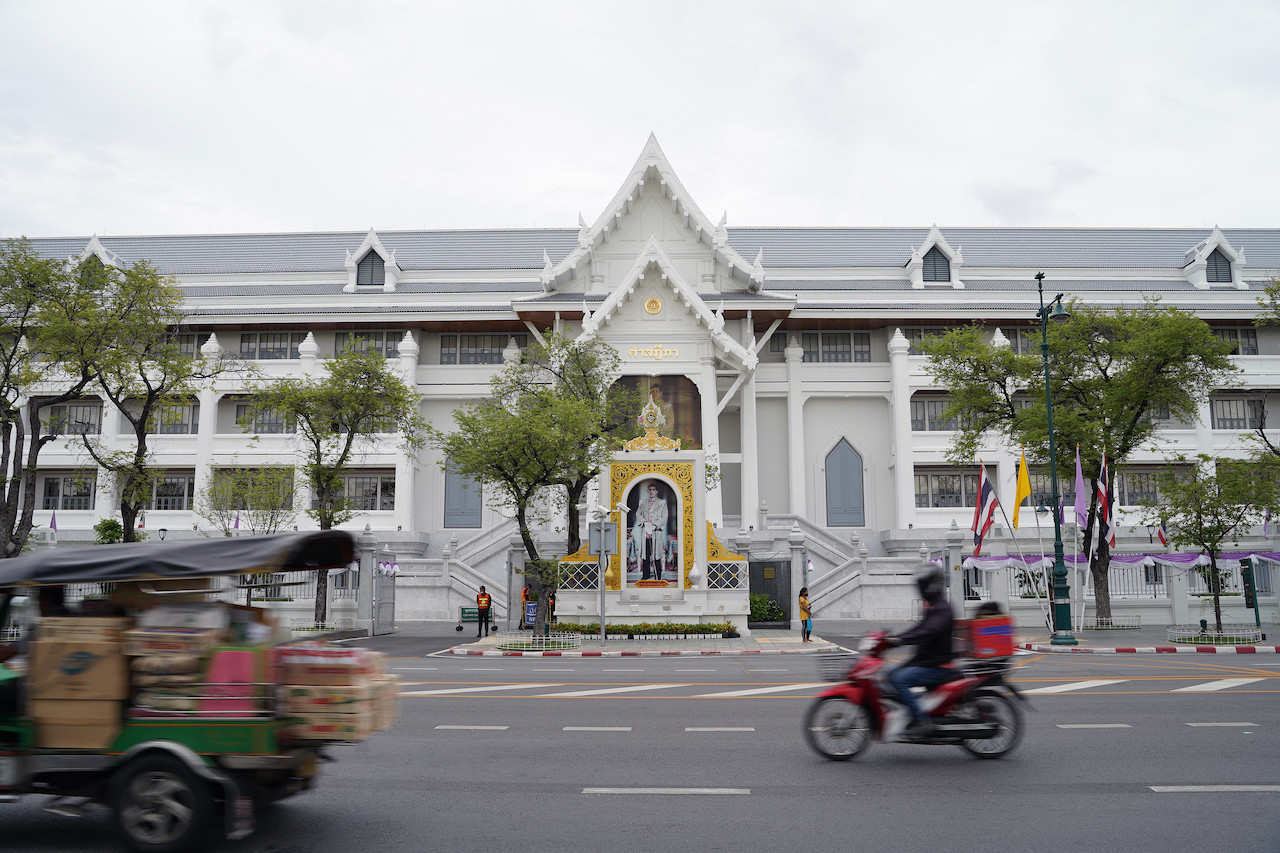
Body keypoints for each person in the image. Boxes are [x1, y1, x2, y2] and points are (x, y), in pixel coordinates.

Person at [886, 567, 955, 734]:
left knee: (900, 680)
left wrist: (901, 640)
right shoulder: (933, 606)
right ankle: (913, 708)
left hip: (937, 664)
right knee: (889, 675)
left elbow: (928, 631)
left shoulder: (942, 609)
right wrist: (895, 638)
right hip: (926, 660)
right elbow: (919, 628)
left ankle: (921, 720)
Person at [631, 482, 668, 580]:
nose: (651, 492)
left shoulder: (662, 503)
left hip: (656, 532)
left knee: (656, 555)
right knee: (646, 555)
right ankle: (646, 575)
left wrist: (655, 525)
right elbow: (638, 514)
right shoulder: (643, 502)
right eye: (650, 490)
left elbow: (664, 517)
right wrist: (644, 523)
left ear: (656, 492)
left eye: (653, 490)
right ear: (647, 491)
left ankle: (657, 575)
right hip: (646, 533)